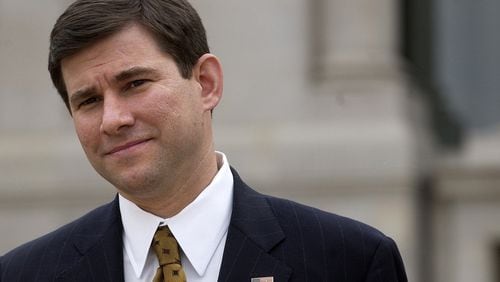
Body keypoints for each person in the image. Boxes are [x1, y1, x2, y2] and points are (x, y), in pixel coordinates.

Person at [0, 0, 407, 281]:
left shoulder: (348, 262)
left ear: (206, 84)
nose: (113, 119)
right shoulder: (24, 274)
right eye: (88, 100)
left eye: (135, 83)